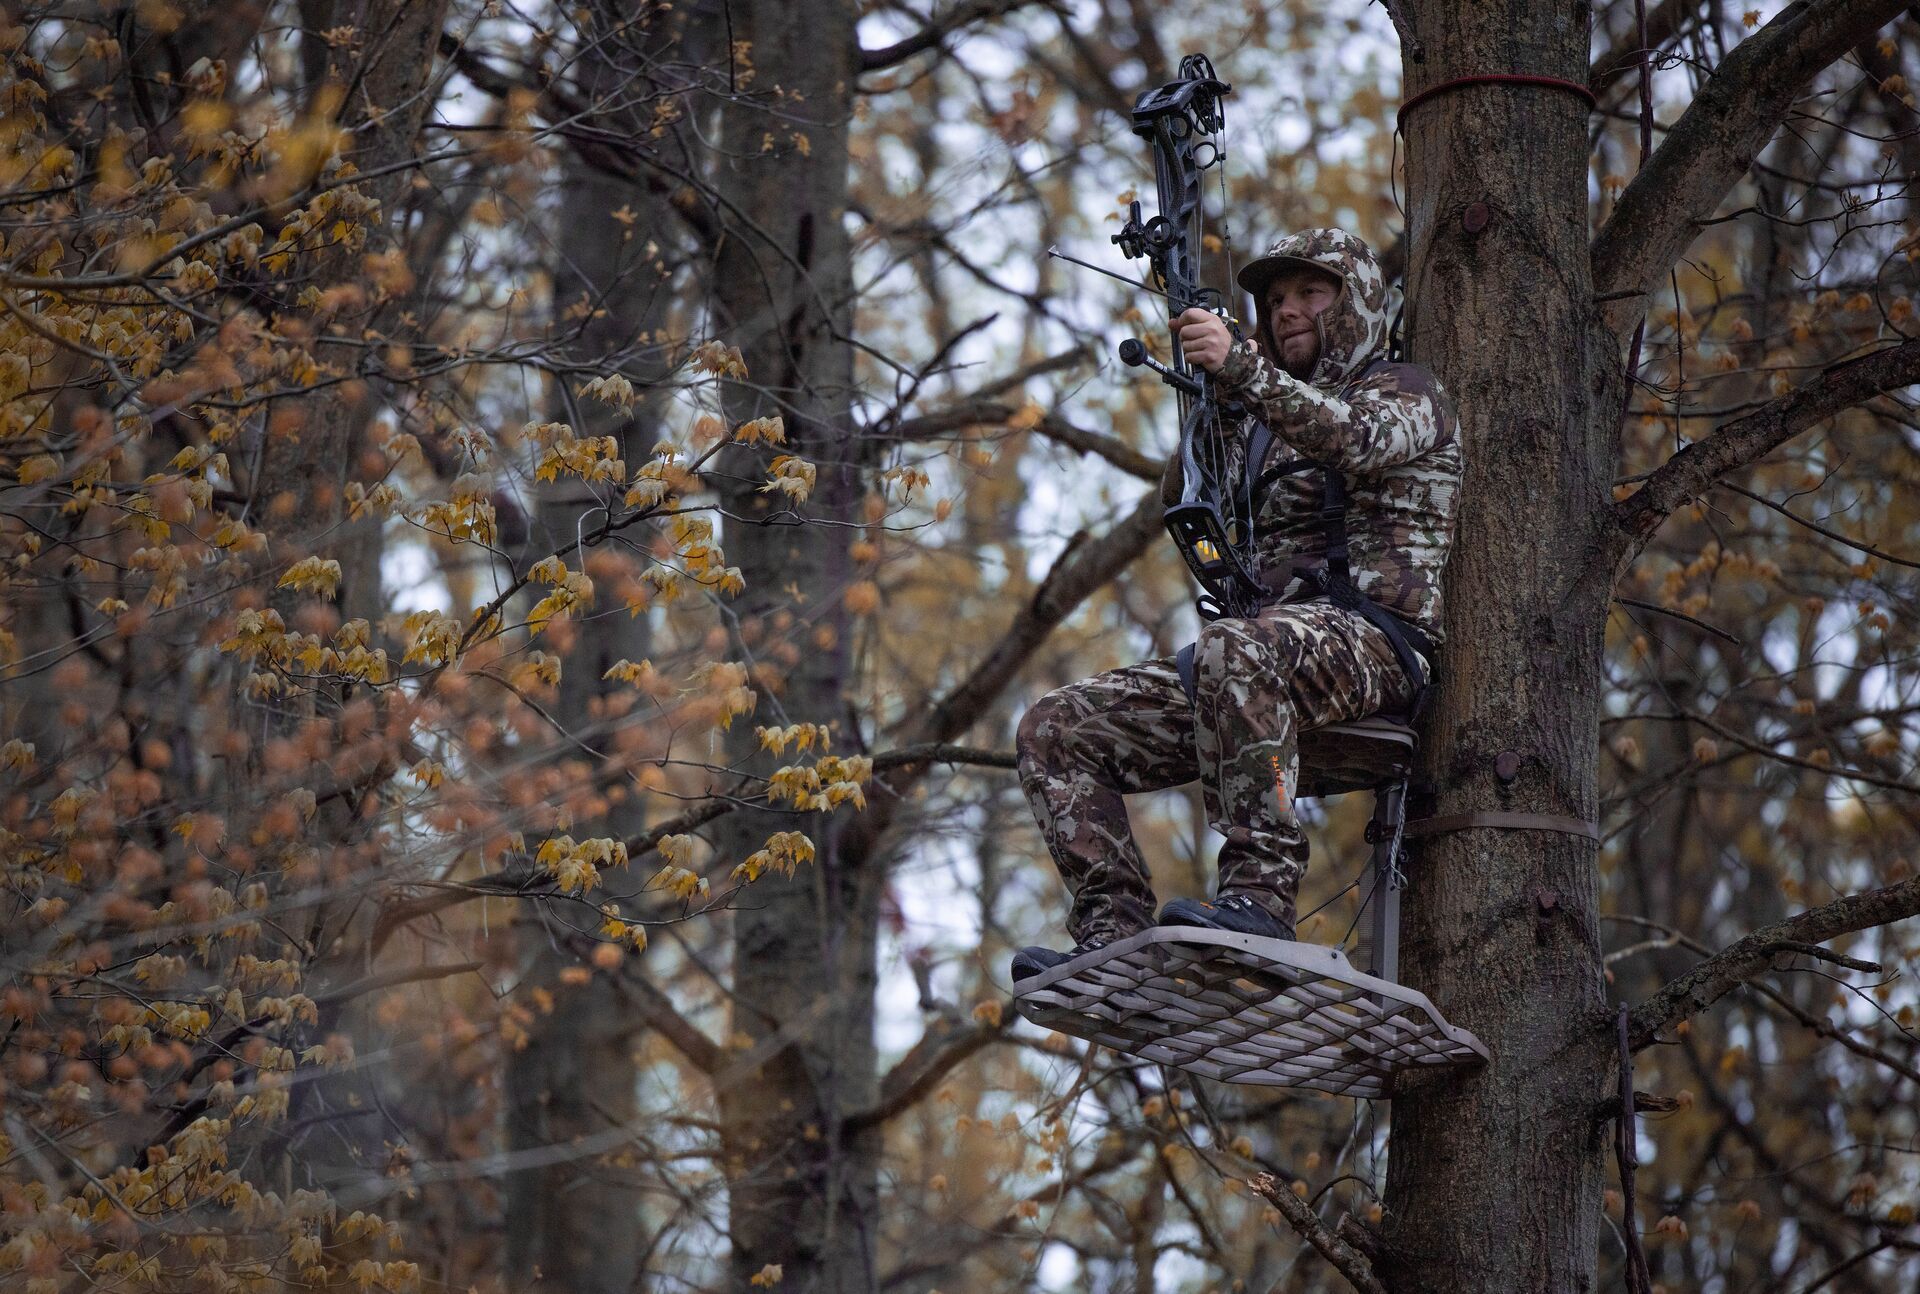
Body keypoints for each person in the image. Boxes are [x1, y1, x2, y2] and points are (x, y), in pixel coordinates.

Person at [1012, 227, 1461, 980]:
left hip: (1379, 647)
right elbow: (1181, 497)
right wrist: (1213, 400)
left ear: (1354, 302)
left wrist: (1242, 370)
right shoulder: (1258, 418)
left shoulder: (1407, 392)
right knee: (1057, 729)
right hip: (1253, 669)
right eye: (1275, 299)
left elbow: (1353, 440)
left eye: (1309, 293)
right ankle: (1112, 936)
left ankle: (1260, 902)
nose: (1287, 310)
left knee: (1234, 647)